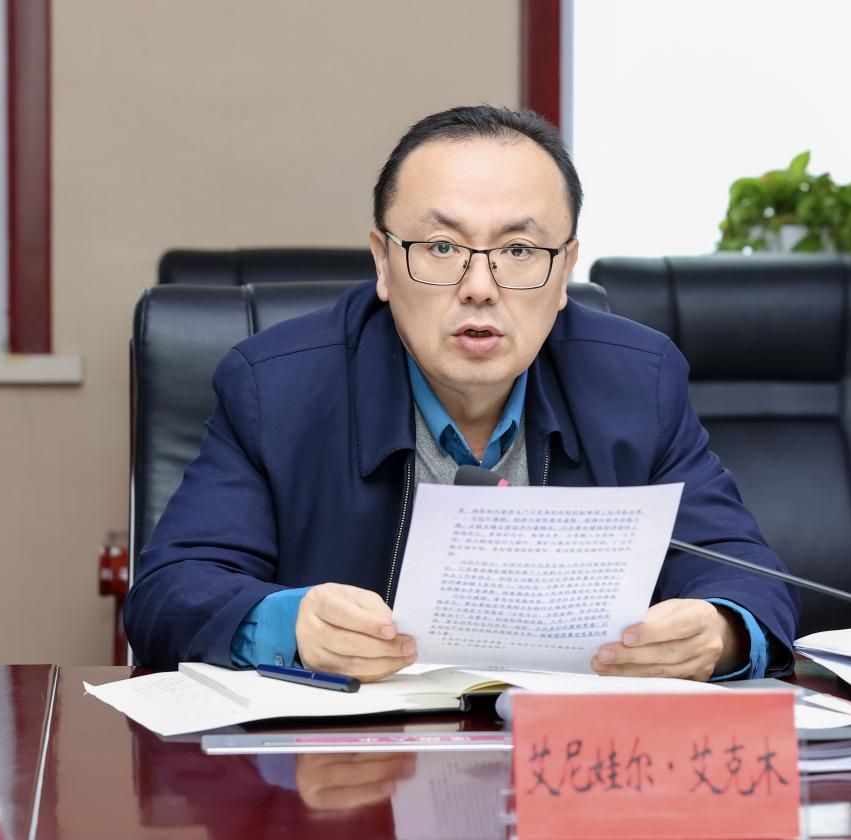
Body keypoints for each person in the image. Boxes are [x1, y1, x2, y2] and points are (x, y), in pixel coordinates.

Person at [124, 105, 798, 680]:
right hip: (349, 769)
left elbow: (747, 576)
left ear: (565, 270)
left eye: (519, 251)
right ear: (383, 261)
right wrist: (290, 624)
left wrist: (721, 631)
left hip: (561, 765)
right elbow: (167, 596)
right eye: (442, 248)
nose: (480, 287)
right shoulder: (275, 387)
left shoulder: (637, 383)